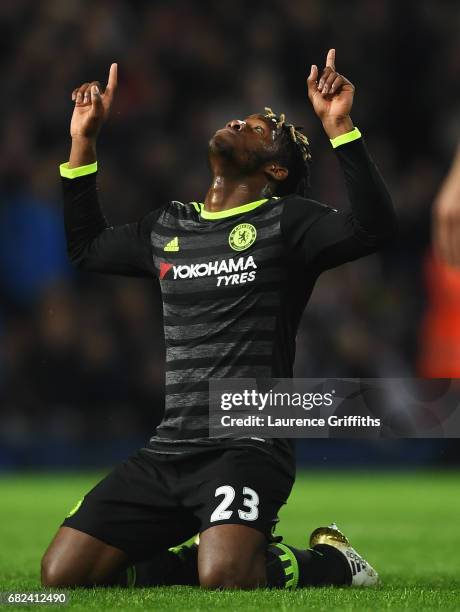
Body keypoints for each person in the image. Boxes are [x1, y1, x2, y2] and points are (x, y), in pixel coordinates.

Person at [41, 49, 397, 590]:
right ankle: (199, 543)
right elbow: (86, 248)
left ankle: (335, 562)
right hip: (171, 446)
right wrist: (83, 141)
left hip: (247, 443)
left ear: (275, 169)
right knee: (60, 575)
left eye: (258, 130)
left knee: (226, 575)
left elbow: (373, 228)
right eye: (241, 120)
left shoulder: (288, 222)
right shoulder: (169, 225)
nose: (238, 123)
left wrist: (341, 128)